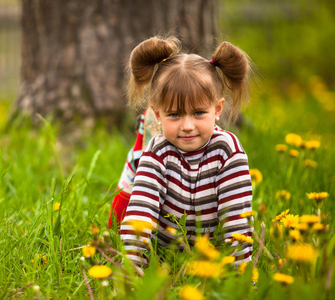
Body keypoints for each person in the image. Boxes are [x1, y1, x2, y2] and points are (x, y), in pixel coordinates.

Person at [108, 36, 254, 267]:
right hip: (166, 255)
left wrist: (241, 276)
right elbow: (140, 214)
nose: (187, 126)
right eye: (174, 115)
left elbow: (237, 219)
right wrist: (131, 272)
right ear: (157, 115)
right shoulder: (156, 152)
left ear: (217, 109)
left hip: (212, 256)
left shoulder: (228, 151)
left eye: (198, 113)